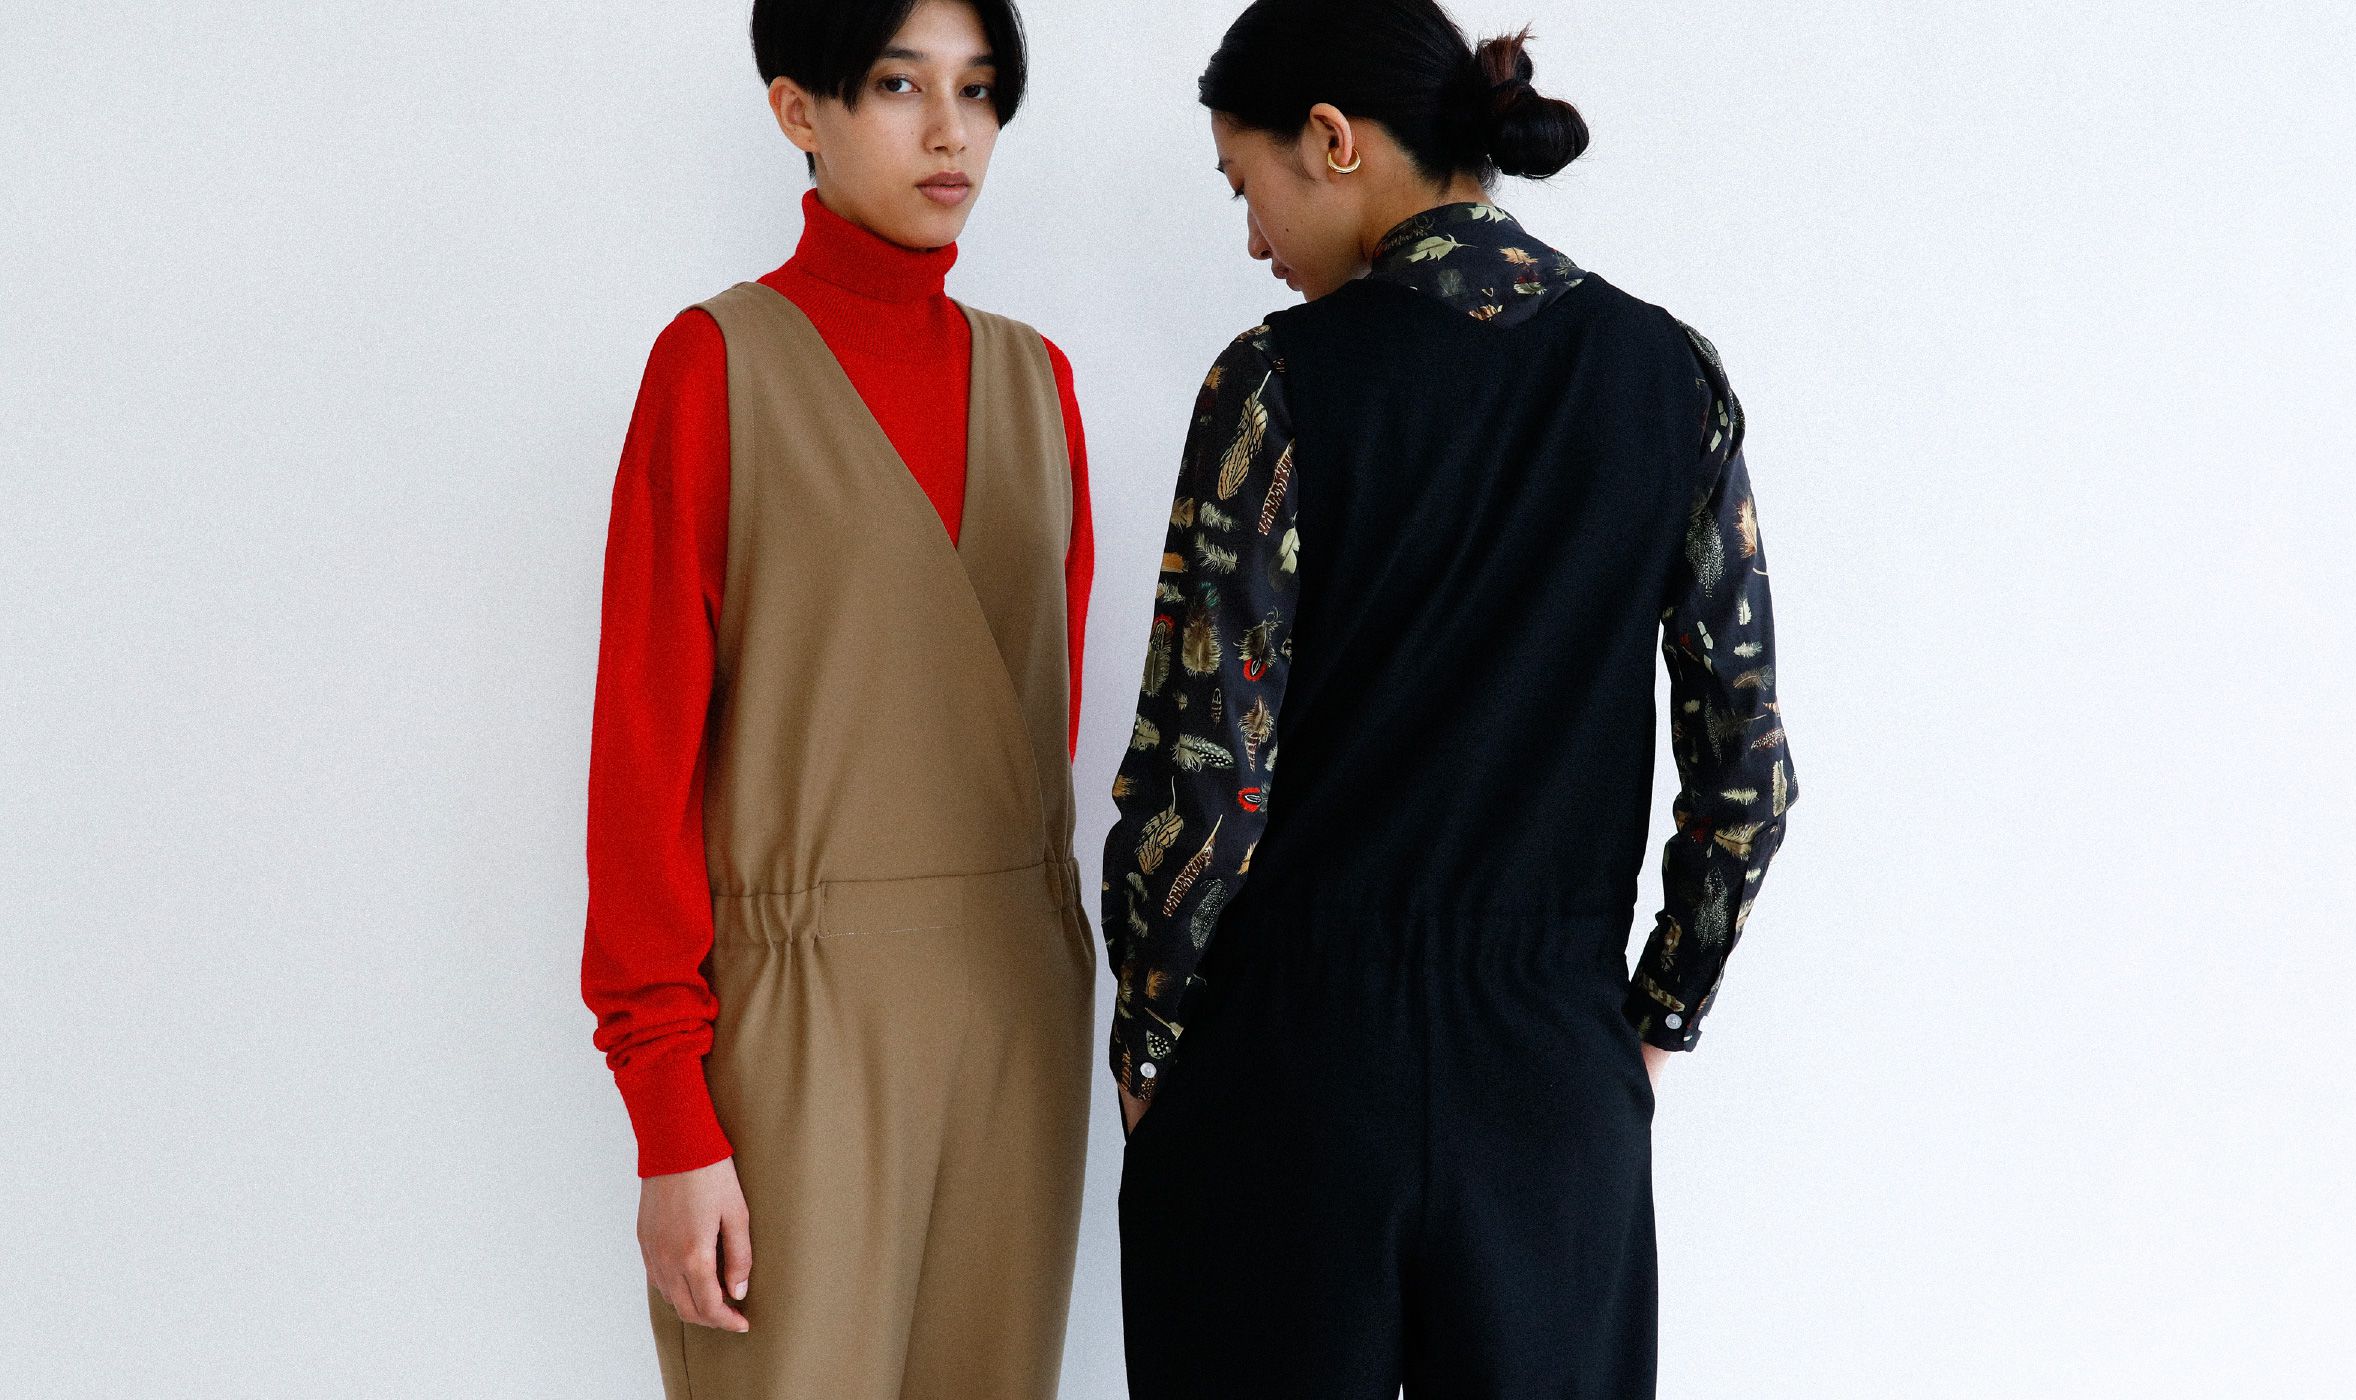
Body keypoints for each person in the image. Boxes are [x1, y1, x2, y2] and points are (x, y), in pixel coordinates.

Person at [1099, 2, 1798, 1395]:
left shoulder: (1275, 387)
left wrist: (1152, 1027)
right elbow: (1745, 777)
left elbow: (1207, 787)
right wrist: (1646, 1026)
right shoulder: (1670, 380)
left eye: (1246, 188)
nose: (1254, 243)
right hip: (1550, 1081)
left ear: (1334, 140)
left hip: (1290, 1081)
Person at [578, 2, 1098, 1396]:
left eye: (979, 91)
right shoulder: (717, 366)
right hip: (797, 1023)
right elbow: (644, 757)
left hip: (1018, 1008)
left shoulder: (1037, 384)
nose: (951, 133)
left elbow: (1030, 743)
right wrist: (669, 1115)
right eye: (899, 86)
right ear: (798, 109)